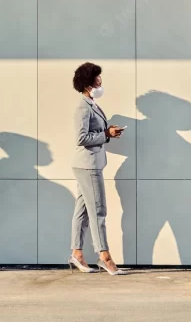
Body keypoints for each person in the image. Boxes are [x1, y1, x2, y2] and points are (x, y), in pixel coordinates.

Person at [68, 62, 126, 275]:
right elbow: (81, 137)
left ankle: (77, 253)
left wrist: (108, 131)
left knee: (82, 211)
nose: (100, 82)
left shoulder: (90, 103)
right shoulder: (83, 107)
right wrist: (106, 135)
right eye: (97, 79)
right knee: (98, 211)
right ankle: (105, 256)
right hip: (88, 165)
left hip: (88, 164)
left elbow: (94, 132)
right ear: (87, 83)